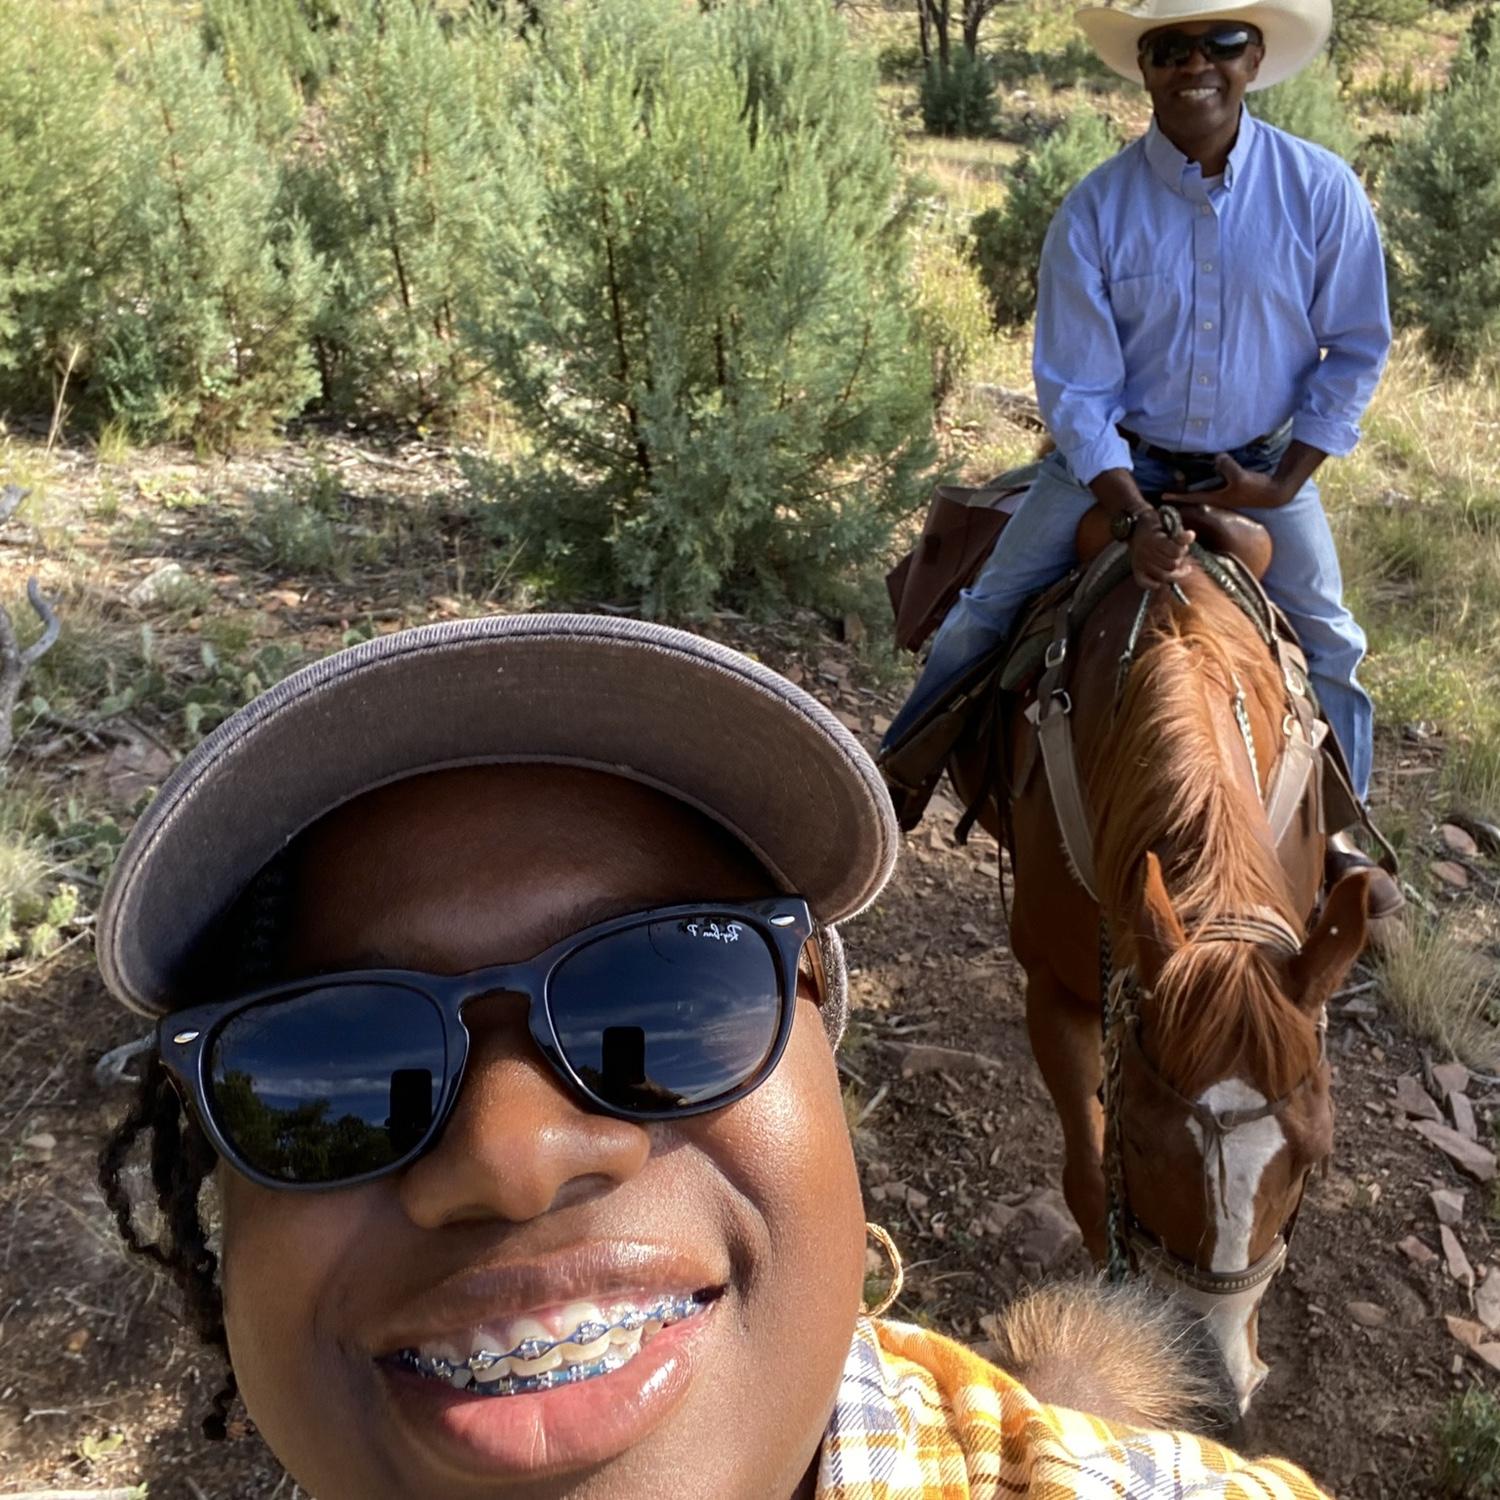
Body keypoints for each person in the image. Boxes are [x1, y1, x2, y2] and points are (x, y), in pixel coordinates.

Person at [96, 613, 1334, 1497]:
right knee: (980, 635)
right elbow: (1078, 374)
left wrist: (1253, 479)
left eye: (669, 989)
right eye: (333, 1069)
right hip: (1104, 483)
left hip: (1243, 500)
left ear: (819, 1036)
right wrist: (1111, 470)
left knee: (1331, 670)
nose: (512, 1158)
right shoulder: (1112, 228)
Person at [883, 0, 1401, 916]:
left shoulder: (1320, 191)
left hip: (1263, 465)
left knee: (1330, 640)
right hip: (1120, 463)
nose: (1196, 64)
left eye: (1222, 43)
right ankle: (892, 786)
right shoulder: (1096, 209)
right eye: (1170, 48)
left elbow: (1357, 345)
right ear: (1146, 68)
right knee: (983, 612)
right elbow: (1077, 392)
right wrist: (1129, 512)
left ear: (1256, 57)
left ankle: (1337, 845)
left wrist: (1283, 483)